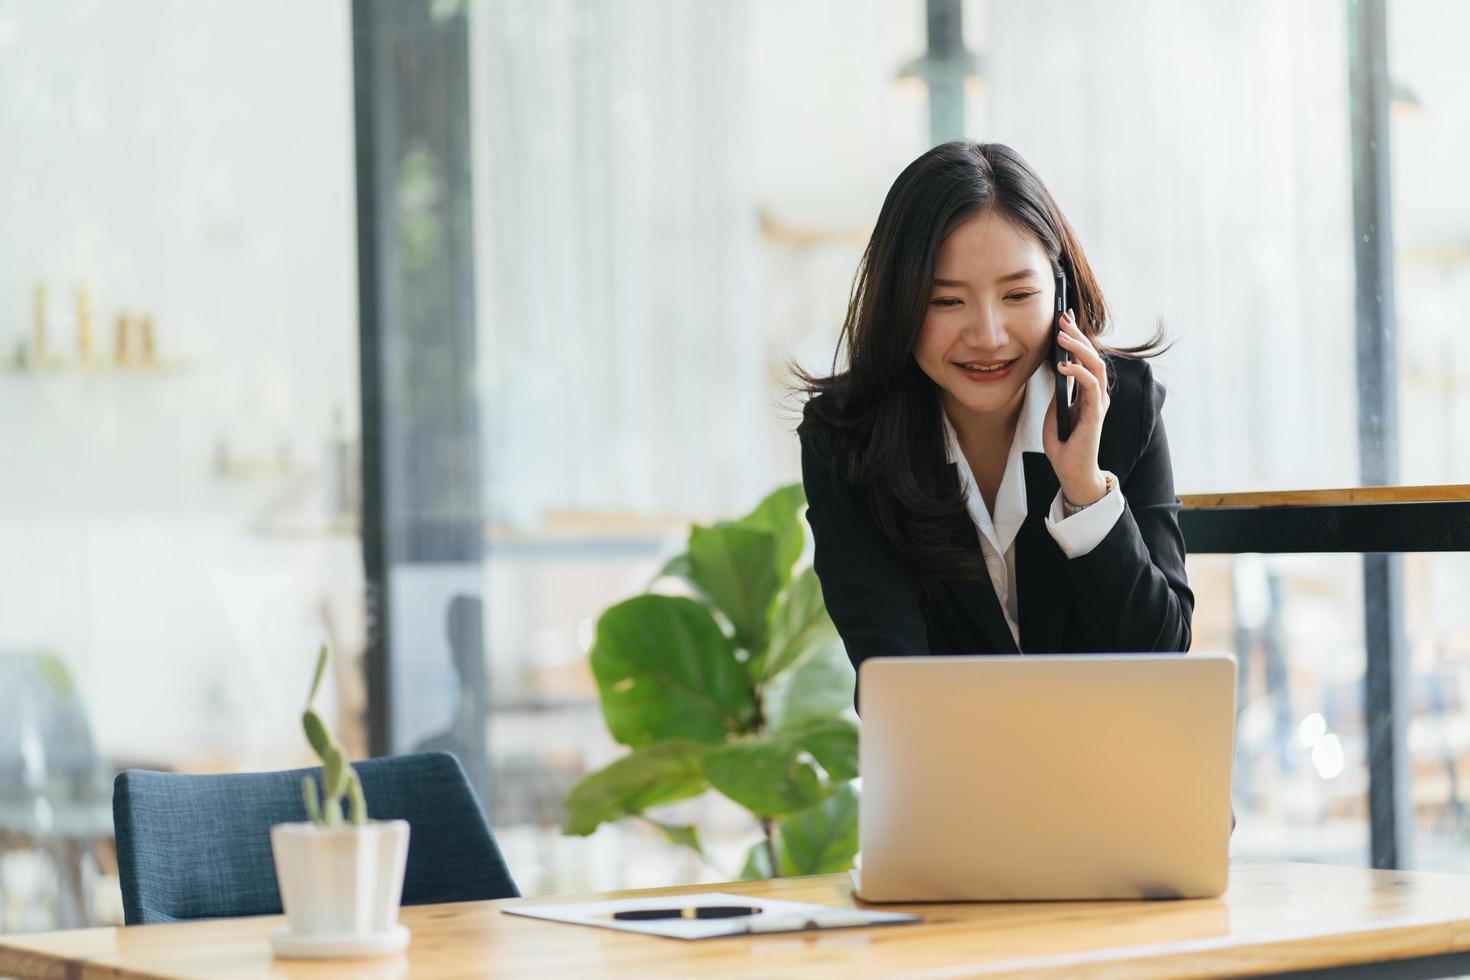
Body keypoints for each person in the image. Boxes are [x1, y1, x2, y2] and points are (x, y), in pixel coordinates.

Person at [797, 140, 1194, 688]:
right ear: (899, 304)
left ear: (1059, 294)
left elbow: (1161, 661)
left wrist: (1084, 489)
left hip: (1111, 766)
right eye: (946, 301)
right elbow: (895, 685)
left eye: (1017, 296)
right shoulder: (846, 441)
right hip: (951, 770)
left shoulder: (1121, 406)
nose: (987, 337)